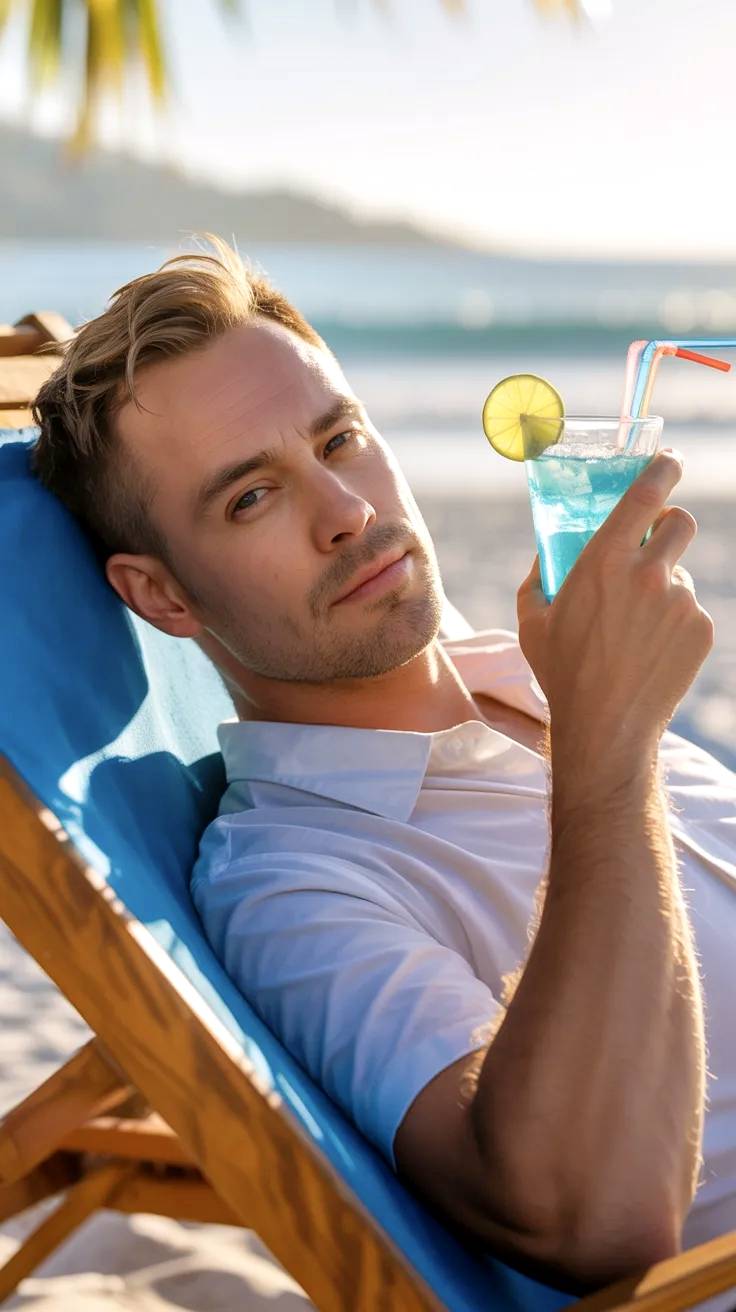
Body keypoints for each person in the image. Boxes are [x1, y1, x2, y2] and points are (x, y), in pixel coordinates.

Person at [31, 237, 735, 1296]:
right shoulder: (295, 884)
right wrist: (609, 747)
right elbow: (588, 1217)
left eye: (341, 439)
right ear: (163, 595)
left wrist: (595, 717)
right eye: (251, 498)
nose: (348, 513)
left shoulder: (543, 675)